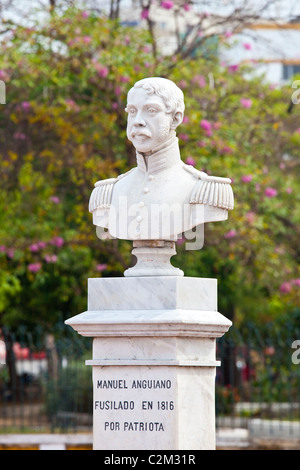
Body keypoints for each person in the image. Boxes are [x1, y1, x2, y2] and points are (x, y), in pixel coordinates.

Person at [89, 77, 233, 241]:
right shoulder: (109, 193)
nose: (138, 122)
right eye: (132, 111)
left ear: (176, 118)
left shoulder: (204, 189)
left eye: (151, 111)